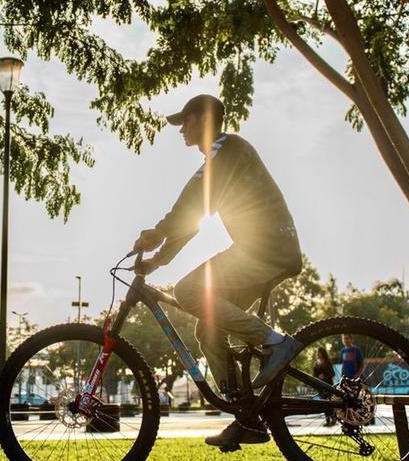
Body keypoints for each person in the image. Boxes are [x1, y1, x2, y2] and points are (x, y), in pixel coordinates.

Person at [131, 94, 304, 449]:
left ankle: (276, 343)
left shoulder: (227, 150)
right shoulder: (221, 156)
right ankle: (248, 420)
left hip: (267, 248)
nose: (181, 131)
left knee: (189, 292)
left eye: (186, 122)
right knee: (207, 328)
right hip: (259, 249)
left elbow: (190, 203)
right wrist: (159, 259)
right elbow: (194, 220)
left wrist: (157, 232)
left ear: (204, 120)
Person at [312, 347, 337, 426]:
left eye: (320, 352)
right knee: (323, 403)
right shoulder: (316, 363)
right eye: (317, 352)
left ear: (323, 353)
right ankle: (327, 420)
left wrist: (325, 376)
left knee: (329, 402)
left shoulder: (327, 362)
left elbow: (332, 374)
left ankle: (334, 419)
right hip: (320, 386)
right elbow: (314, 375)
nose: (318, 354)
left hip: (328, 385)